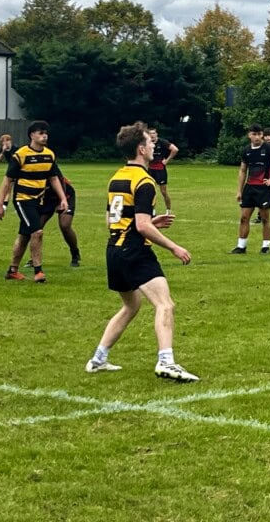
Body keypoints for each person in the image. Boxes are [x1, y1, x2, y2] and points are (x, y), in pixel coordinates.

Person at [85, 121, 198, 382]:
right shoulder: (145, 181)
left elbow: (113, 220)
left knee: (131, 305)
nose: (153, 146)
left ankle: (98, 359)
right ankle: (166, 362)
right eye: (150, 142)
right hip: (134, 250)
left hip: (114, 249)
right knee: (165, 304)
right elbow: (142, 226)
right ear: (140, 148)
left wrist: (146, 223)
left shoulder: (117, 177)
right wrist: (173, 246)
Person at [0, 120, 67, 283]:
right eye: (41, 133)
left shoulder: (49, 155)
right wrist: (0, 204)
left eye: (46, 133)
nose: (44, 136)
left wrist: (62, 199)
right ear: (31, 135)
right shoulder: (20, 155)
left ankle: (12, 270)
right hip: (23, 200)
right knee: (37, 232)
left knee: (24, 235)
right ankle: (38, 272)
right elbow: (7, 180)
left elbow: (53, 178)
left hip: (38, 200)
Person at [232, 124, 270, 254]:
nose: (257, 137)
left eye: (259, 134)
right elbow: (243, 170)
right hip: (249, 188)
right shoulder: (246, 150)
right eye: (254, 134)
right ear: (249, 135)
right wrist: (239, 190)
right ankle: (241, 246)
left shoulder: (269, 148)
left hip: (263, 189)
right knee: (244, 217)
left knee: (264, 218)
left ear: (262, 134)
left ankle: (265, 246)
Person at [38, 168, 82, 267]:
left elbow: (60, 181)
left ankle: (75, 253)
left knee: (65, 225)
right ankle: (35, 259)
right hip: (47, 198)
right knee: (36, 227)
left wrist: (61, 200)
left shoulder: (48, 162)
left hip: (65, 195)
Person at [148, 127, 179, 215]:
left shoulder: (162, 142)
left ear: (156, 134)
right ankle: (152, 211)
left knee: (163, 192)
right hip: (150, 169)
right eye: (150, 134)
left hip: (160, 169)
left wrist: (167, 160)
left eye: (153, 133)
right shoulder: (147, 143)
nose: (152, 135)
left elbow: (175, 149)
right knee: (150, 191)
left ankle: (168, 210)